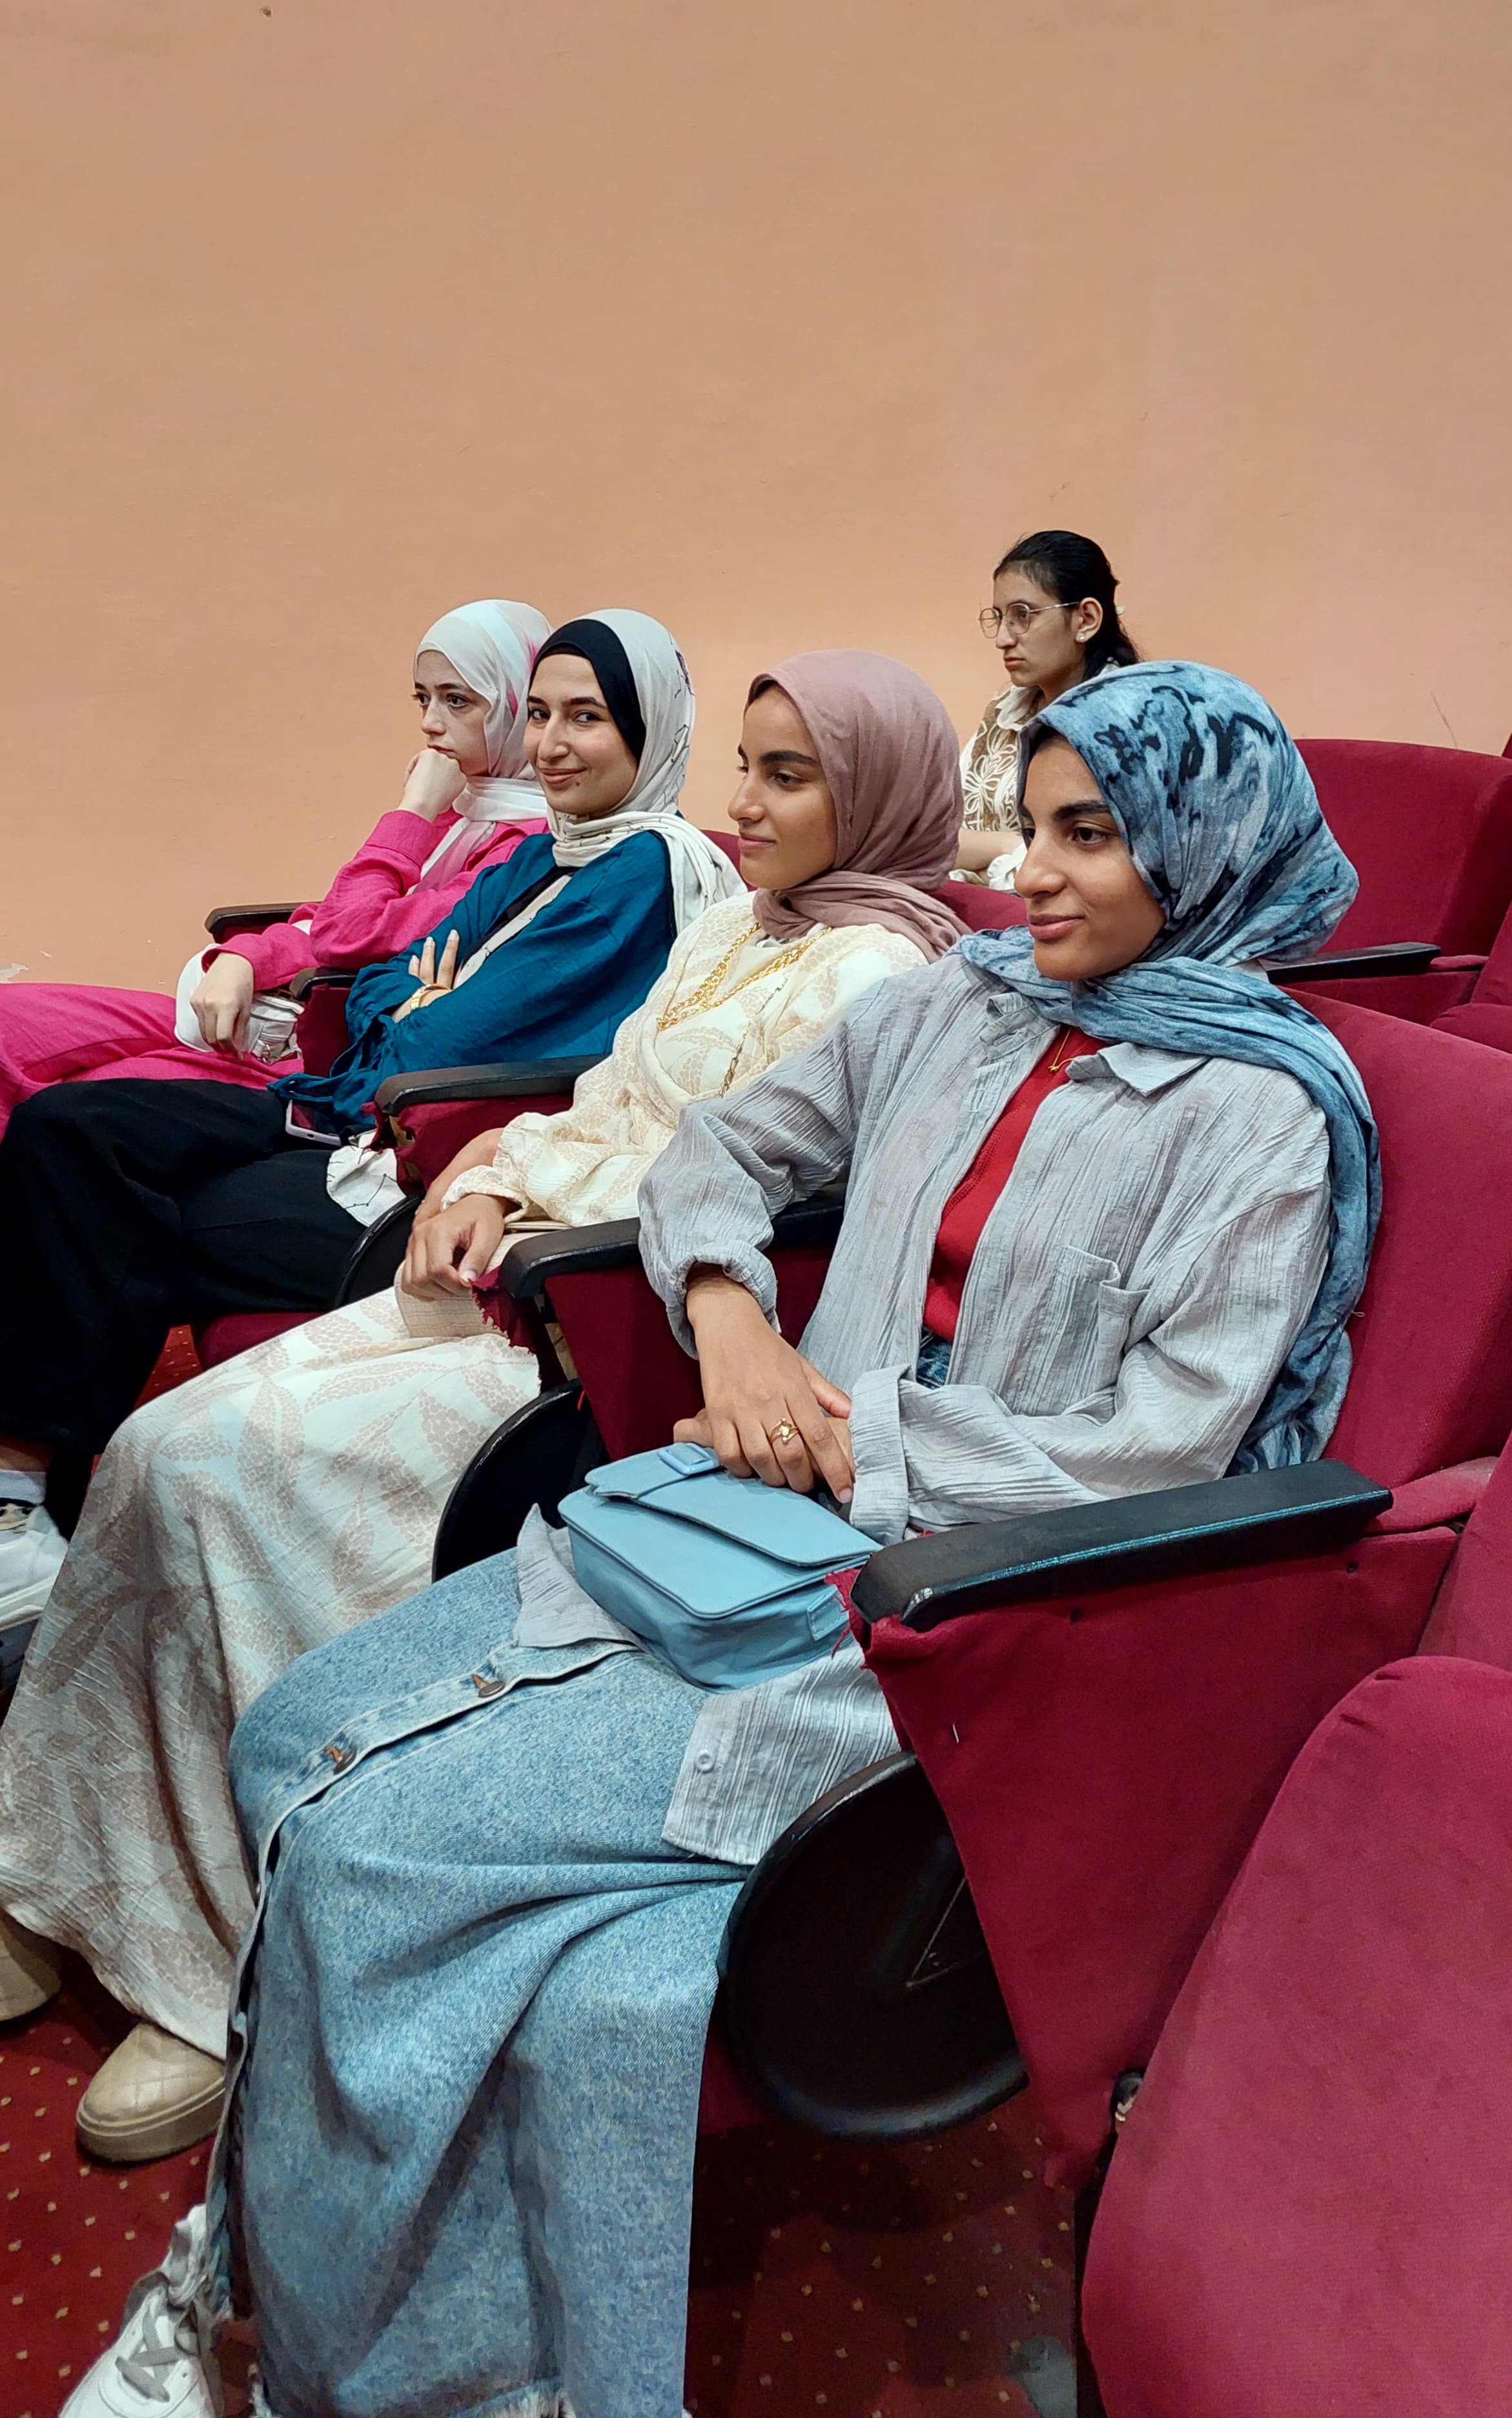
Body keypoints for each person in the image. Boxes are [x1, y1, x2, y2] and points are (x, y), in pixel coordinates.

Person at [62, 661, 1382, 2418]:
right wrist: (729, 1317)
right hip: (730, 1524)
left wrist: (852, 1444)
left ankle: (333, 2358)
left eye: (1091, 837)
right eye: (1035, 827)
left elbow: (1160, 1448)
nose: (1032, 874)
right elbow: (719, 1152)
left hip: (934, 1621)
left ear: (1202, 850)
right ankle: (358, 2301)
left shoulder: (1262, 1112)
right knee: (292, 1733)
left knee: (365, 1846)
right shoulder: (966, 999)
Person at [0, 650, 963, 2164]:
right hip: (515, 1256)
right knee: (153, 1447)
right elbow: (606, 1094)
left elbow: (766, 1203)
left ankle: (221, 1960)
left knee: (220, 1472)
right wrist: (492, 1169)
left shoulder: (884, 978)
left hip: (607, 1330)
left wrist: (547, 1223)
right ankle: (67, 1875)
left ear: (881, 791)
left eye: (790, 776)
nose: (747, 803)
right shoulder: (744, 924)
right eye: (748, 766)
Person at [0, 611, 737, 1578]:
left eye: (586, 717)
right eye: (541, 714)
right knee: (69, 1129)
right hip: (341, 1106)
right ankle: (25, 1499)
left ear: (648, 731)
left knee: (114, 1212)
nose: (551, 744)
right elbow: (381, 980)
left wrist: (419, 999)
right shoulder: (546, 853)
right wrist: (414, 995)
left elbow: (435, 1039)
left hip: (417, 1160)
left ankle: (27, 1514)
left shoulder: (641, 871)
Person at [0, 598, 552, 1129]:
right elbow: (334, 914)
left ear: (515, 708)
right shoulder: (466, 805)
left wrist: (413, 810)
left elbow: (351, 931)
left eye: (457, 701)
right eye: (423, 698)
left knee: (61, 1110)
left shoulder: (526, 846)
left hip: (318, 1055)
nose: (431, 722)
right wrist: (245, 957)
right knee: (10, 1022)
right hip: (267, 1007)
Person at [957, 527, 1139, 888]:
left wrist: (987, 862)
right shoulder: (1006, 712)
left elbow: (1104, 868)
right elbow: (939, 839)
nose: (1003, 639)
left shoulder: (1123, 724)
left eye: (1023, 615)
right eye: (1000, 617)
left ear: (1086, 619)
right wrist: (1006, 846)